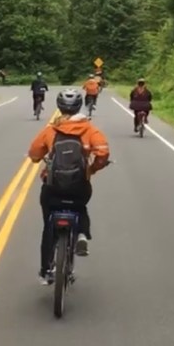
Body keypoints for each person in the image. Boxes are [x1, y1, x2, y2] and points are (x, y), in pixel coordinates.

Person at [27, 88, 111, 285]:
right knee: (80, 207)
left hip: (52, 188)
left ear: (59, 107)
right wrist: (92, 169)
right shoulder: (90, 130)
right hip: (79, 186)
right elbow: (103, 152)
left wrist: (40, 158)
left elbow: (33, 154)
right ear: (79, 106)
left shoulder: (50, 130)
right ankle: (82, 233)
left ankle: (46, 269)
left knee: (49, 224)